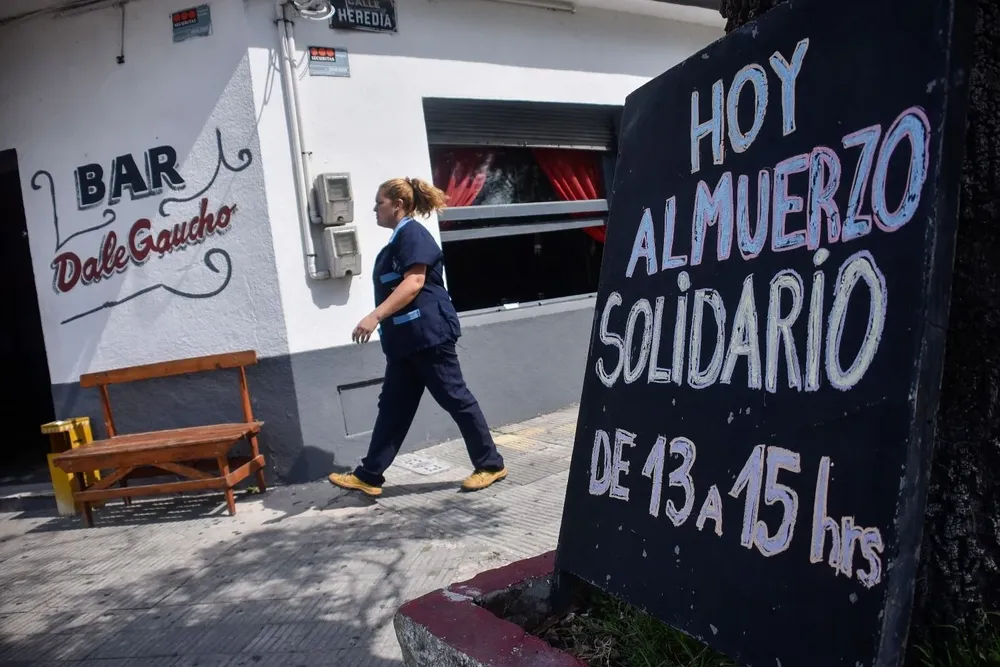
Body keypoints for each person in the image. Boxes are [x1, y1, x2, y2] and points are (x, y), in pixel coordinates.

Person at [328, 177, 508, 497]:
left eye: (379, 202)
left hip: (428, 336)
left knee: (455, 397)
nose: (374, 208)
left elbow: (413, 283)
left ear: (397, 205)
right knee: (394, 406)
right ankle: (369, 475)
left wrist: (374, 316)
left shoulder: (412, 233)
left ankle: (491, 465)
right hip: (406, 343)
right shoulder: (399, 239)